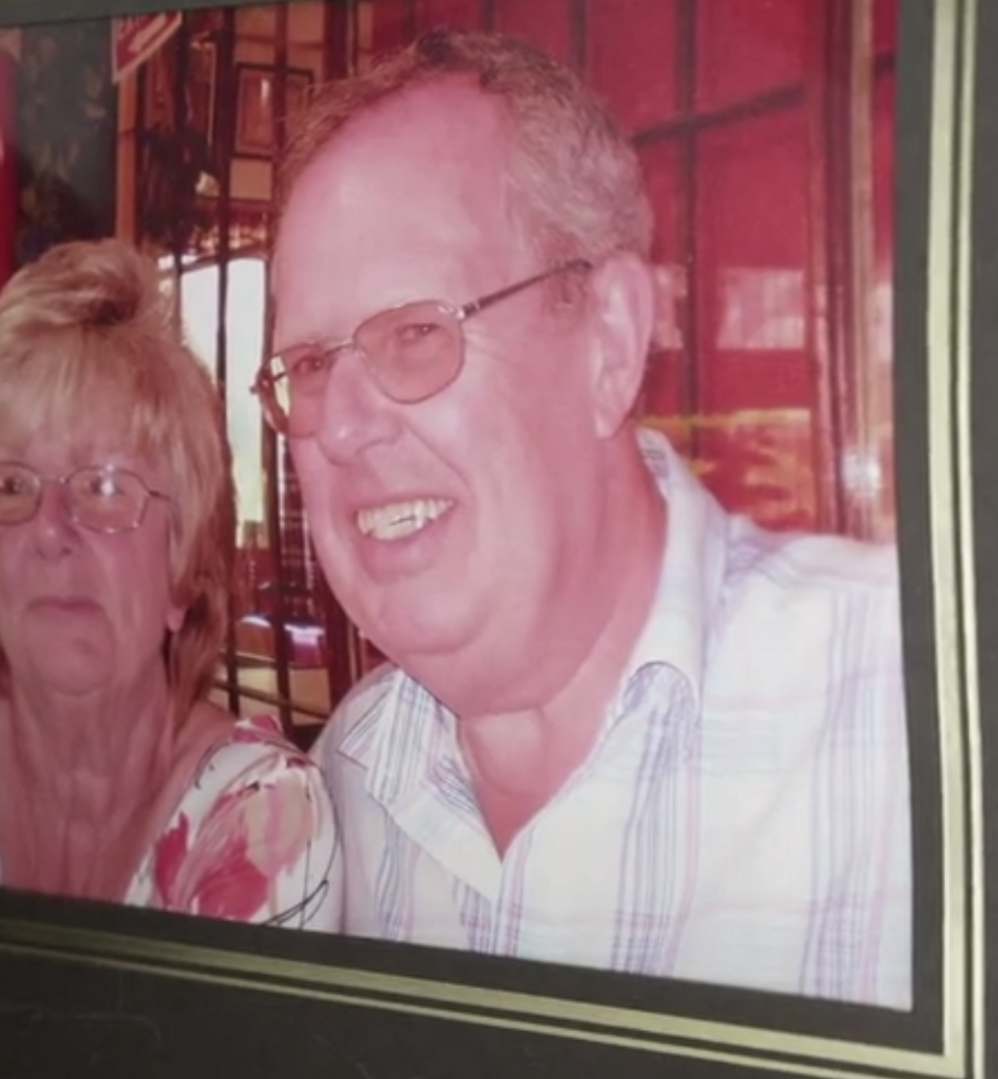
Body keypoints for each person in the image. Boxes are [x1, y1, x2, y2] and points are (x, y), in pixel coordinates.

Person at [257, 30, 910, 1006]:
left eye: (416, 332)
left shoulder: (900, 712)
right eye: (310, 364)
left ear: (608, 343)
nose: (341, 425)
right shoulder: (339, 787)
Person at [0, 239, 339, 931]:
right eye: (10, 484)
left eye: (104, 486)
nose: (51, 530)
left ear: (181, 567)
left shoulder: (261, 816)